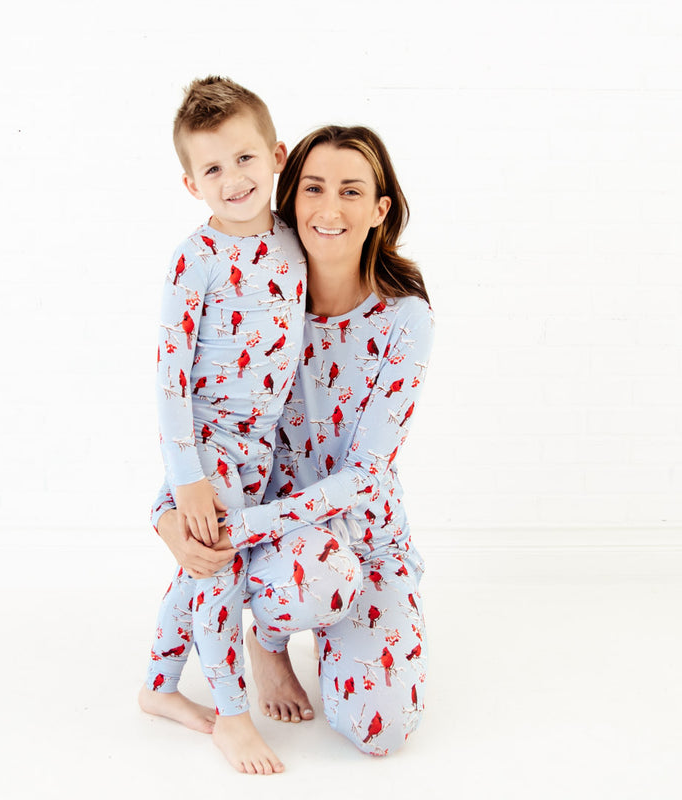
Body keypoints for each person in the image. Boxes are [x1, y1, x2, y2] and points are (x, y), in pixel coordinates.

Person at [149, 124, 434, 763]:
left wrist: (236, 528)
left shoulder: (406, 317)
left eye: (351, 191)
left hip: (358, 531)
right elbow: (206, 416)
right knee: (316, 579)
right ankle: (271, 642)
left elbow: (365, 475)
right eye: (313, 188)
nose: (329, 208)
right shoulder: (255, 289)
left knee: (381, 731)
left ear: (379, 209)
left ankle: (328, 630)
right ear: (290, 194)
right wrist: (170, 512)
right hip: (281, 540)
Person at [138, 75, 307, 775]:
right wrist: (188, 480)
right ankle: (231, 716)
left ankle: (158, 686)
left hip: (263, 446)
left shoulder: (294, 240)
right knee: (220, 574)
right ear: (191, 184)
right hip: (210, 448)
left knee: (198, 567)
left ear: (276, 155)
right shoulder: (196, 259)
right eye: (213, 169)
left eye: (244, 158)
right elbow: (169, 378)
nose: (233, 179)